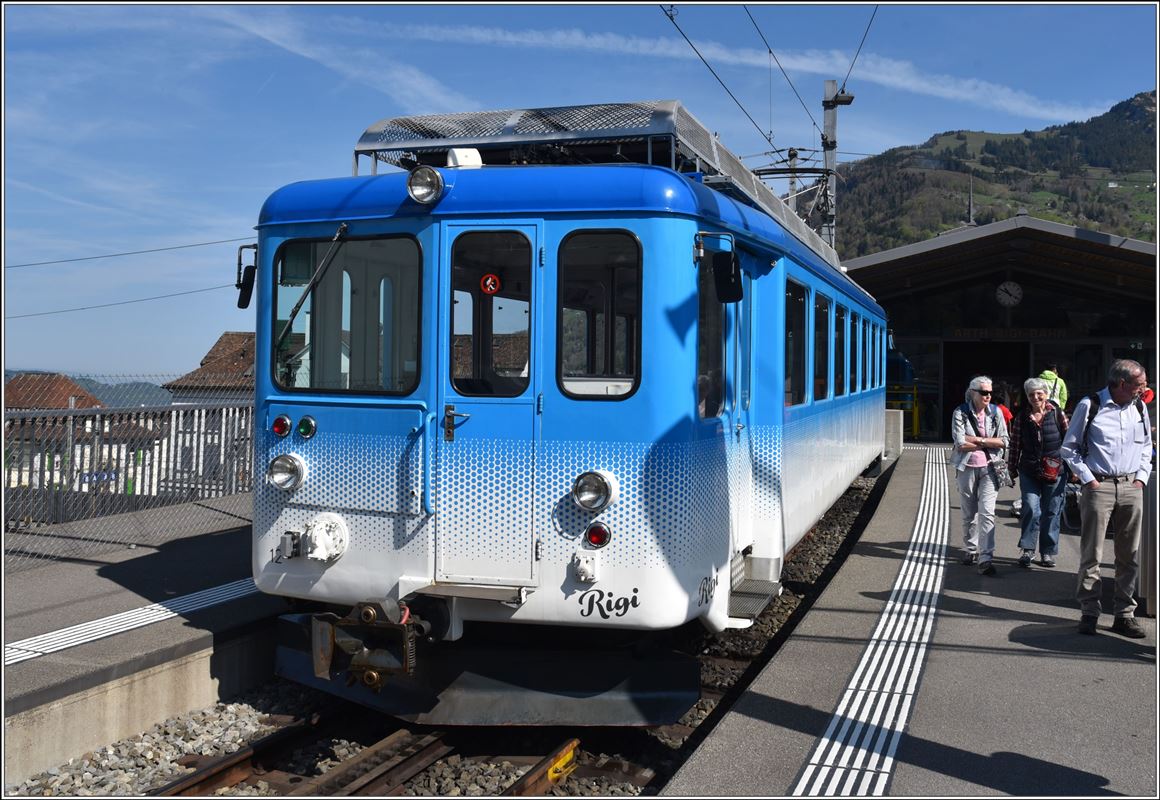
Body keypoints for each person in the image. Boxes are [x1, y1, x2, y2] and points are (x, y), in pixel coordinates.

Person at [1060, 359, 1152, 638]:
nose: (1144, 389)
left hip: (1131, 486)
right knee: (1092, 554)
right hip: (1099, 487)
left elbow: (1147, 445)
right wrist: (1089, 479)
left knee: (1129, 556)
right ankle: (1089, 612)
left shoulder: (1139, 406)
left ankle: (1124, 615)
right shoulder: (1091, 405)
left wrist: (1141, 478)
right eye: (1139, 384)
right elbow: (1069, 448)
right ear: (1121, 384)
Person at [951, 375, 1010, 575]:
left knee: (987, 513)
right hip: (966, 467)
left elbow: (1004, 441)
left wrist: (977, 441)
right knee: (969, 513)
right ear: (973, 393)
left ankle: (986, 558)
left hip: (991, 467)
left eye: (990, 393)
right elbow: (960, 444)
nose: (988, 396)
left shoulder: (996, 413)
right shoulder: (960, 412)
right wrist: (988, 440)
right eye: (984, 392)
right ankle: (971, 548)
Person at [1007, 377, 1069, 568]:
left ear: (1046, 394)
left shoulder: (1058, 414)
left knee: (1052, 511)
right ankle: (1027, 549)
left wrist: (1073, 469)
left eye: (1039, 393)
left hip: (1055, 470)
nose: (1035, 397)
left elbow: (1069, 442)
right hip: (1029, 470)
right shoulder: (1022, 418)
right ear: (1027, 396)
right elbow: (1015, 445)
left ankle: (1048, 552)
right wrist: (1011, 469)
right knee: (1031, 508)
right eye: (1031, 394)